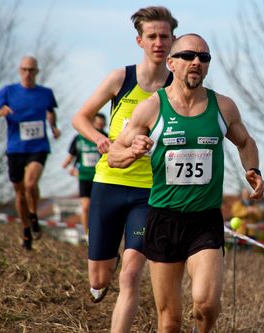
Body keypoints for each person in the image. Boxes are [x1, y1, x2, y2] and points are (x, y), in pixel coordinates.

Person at [107, 33, 264, 333]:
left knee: (205, 305)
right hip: (163, 219)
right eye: (188, 56)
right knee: (170, 322)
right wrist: (132, 151)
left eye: (203, 58)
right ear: (171, 63)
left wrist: (253, 169)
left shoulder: (223, 107)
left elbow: (245, 142)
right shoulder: (151, 108)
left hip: (204, 220)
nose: (196, 62)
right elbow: (114, 156)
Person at [71, 6, 178, 332]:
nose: (159, 42)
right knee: (100, 278)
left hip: (150, 192)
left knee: (131, 272)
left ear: (173, 40)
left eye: (165, 36)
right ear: (140, 41)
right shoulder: (121, 78)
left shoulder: (178, 86)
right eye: (152, 36)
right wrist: (103, 142)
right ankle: (104, 268)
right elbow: (80, 118)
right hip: (109, 182)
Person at [0, 56, 60, 250]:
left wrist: (53, 126)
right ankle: (26, 230)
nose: (28, 73)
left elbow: (51, 111)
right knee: (19, 193)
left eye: (31, 70)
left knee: (30, 184)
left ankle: (34, 214)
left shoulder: (45, 93)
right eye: (24, 69)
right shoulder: (8, 92)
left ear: (37, 72)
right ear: (20, 70)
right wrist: (0, 112)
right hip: (16, 148)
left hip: (39, 147)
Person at [62, 113, 107, 241]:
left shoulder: (106, 137)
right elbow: (71, 156)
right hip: (84, 177)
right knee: (85, 207)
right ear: (91, 123)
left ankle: (100, 231)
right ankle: (87, 234)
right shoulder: (79, 139)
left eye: (102, 125)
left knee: (100, 207)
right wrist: (68, 166)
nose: (100, 127)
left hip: (101, 177)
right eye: (98, 124)